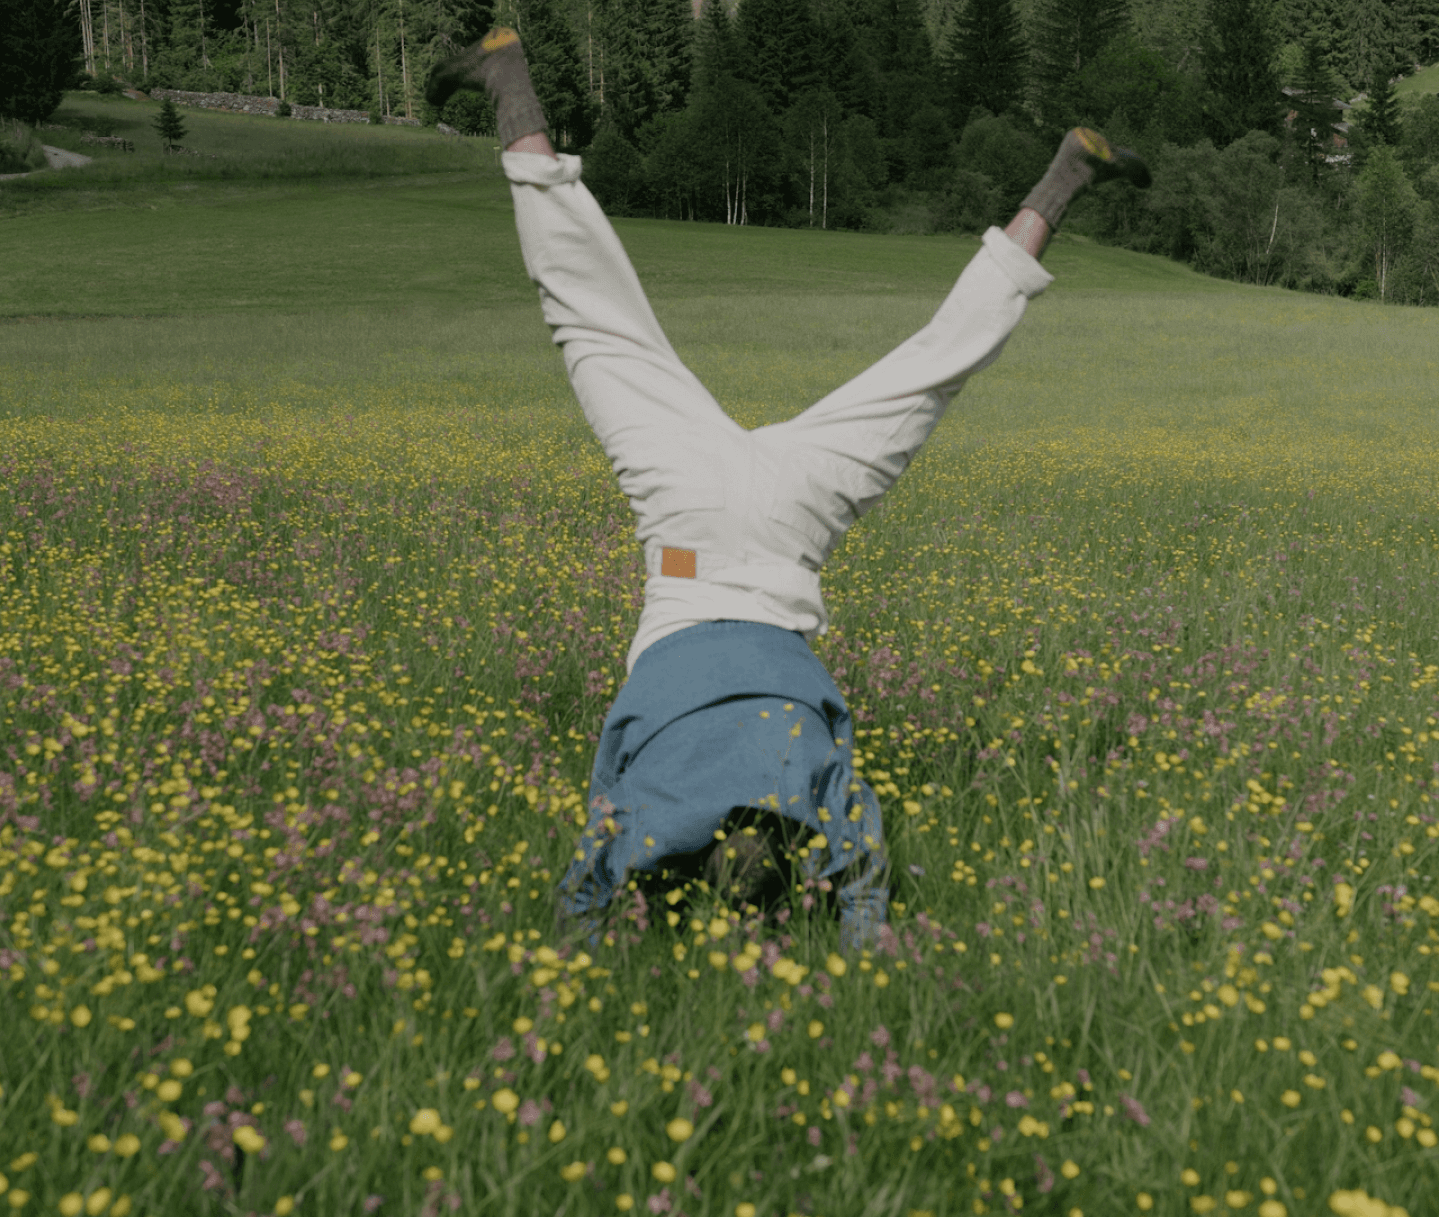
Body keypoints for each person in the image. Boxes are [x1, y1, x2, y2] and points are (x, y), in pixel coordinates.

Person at [426, 30, 1149, 951]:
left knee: (928, 371)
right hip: (687, 535)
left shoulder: (811, 785)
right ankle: (508, 79)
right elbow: (587, 887)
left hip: (786, 530)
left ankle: (1063, 177)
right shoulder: (651, 807)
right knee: (596, 320)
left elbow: (862, 893)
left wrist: (859, 945)